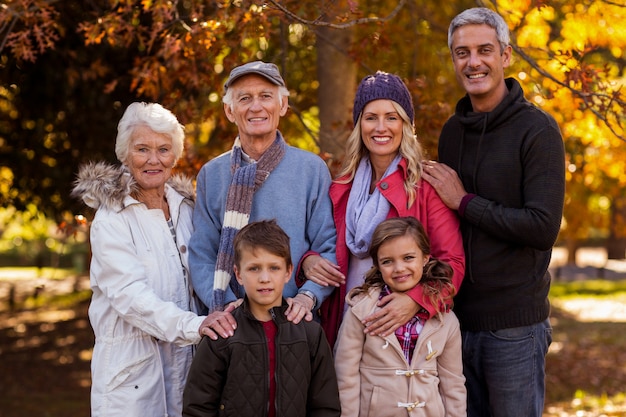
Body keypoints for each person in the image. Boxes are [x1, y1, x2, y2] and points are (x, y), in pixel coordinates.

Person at [422, 7, 565, 417]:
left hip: (514, 328)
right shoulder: (452, 131)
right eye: (462, 53)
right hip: (454, 321)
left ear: (505, 56)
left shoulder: (538, 131)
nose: (473, 62)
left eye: (484, 50)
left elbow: (541, 227)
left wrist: (464, 201)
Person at [71, 102, 224, 417]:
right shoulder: (111, 218)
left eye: (164, 149)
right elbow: (130, 297)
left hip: (189, 368)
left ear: (175, 156)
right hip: (131, 378)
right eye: (142, 149)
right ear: (125, 155)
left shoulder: (189, 210)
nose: (154, 159)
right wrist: (194, 326)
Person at [189, 61, 343, 335]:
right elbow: (202, 254)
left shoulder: (311, 169)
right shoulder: (211, 175)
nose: (256, 106)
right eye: (244, 98)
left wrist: (308, 297)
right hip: (232, 325)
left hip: (296, 323)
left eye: (266, 96)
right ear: (229, 110)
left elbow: (327, 247)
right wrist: (226, 307)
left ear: (282, 105)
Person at [316, 70, 465, 347]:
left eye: (391, 117)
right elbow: (318, 245)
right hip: (345, 322)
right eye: (371, 118)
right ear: (360, 125)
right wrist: (309, 261)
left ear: (405, 125)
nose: (380, 127)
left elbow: (452, 264)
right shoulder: (341, 187)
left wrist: (414, 300)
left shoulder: (425, 187)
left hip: (402, 330)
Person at [183, 220, 341, 417]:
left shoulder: (310, 334)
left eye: (274, 268)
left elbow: (325, 407)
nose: (264, 278)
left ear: (288, 272)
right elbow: (198, 408)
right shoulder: (222, 333)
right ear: (238, 274)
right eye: (254, 268)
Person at [334, 217, 466, 417]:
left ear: (425, 258)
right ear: (377, 265)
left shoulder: (445, 320)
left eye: (408, 258)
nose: (399, 268)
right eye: (387, 261)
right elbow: (346, 377)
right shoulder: (360, 312)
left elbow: (453, 385)